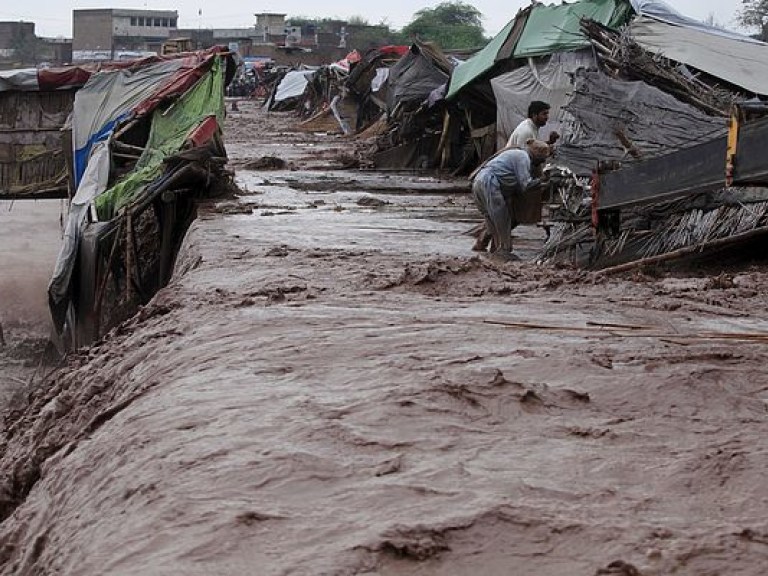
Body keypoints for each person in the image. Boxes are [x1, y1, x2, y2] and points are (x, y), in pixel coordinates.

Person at [471, 139, 550, 261]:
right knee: (502, 219)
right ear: (536, 154)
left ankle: (493, 251)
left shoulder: (518, 154)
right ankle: (504, 251)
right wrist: (544, 181)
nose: (543, 162)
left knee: (491, 220)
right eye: (542, 159)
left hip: (479, 181)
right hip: (489, 182)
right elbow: (526, 184)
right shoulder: (523, 157)